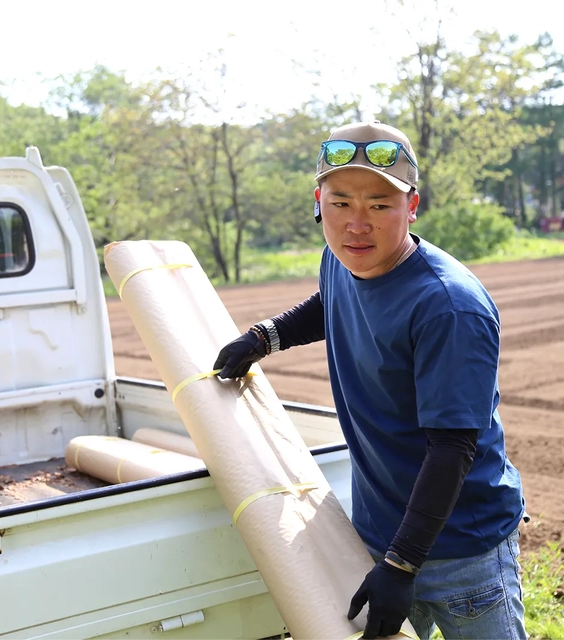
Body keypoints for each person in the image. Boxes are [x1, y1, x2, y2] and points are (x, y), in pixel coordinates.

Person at [213, 121, 528, 640]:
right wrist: (266, 338)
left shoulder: (448, 307)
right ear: (319, 202)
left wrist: (402, 566)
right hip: (381, 533)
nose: (357, 224)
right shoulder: (344, 260)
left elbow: (451, 449)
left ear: (412, 206)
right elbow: (332, 302)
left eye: (380, 205)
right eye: (341, 203)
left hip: (460, 552)